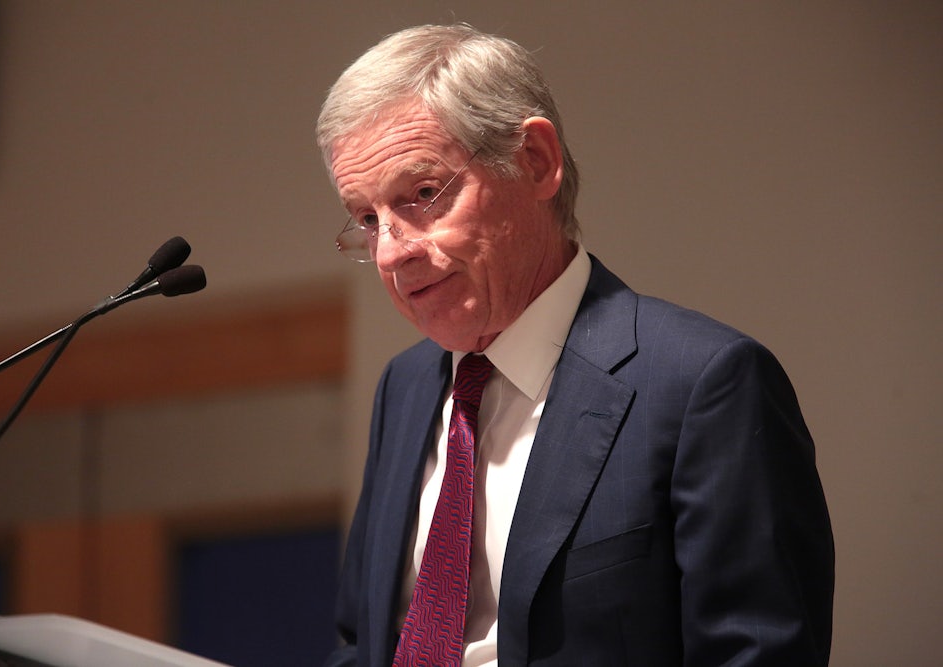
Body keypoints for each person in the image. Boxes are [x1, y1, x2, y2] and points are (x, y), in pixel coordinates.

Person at [316, 23, 834, 667]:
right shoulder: (406, 386)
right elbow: (363, 642)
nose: (392, 252)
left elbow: (754, 655)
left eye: (422, 195)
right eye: (368, 219)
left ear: (535, 161)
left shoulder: (703, 383)